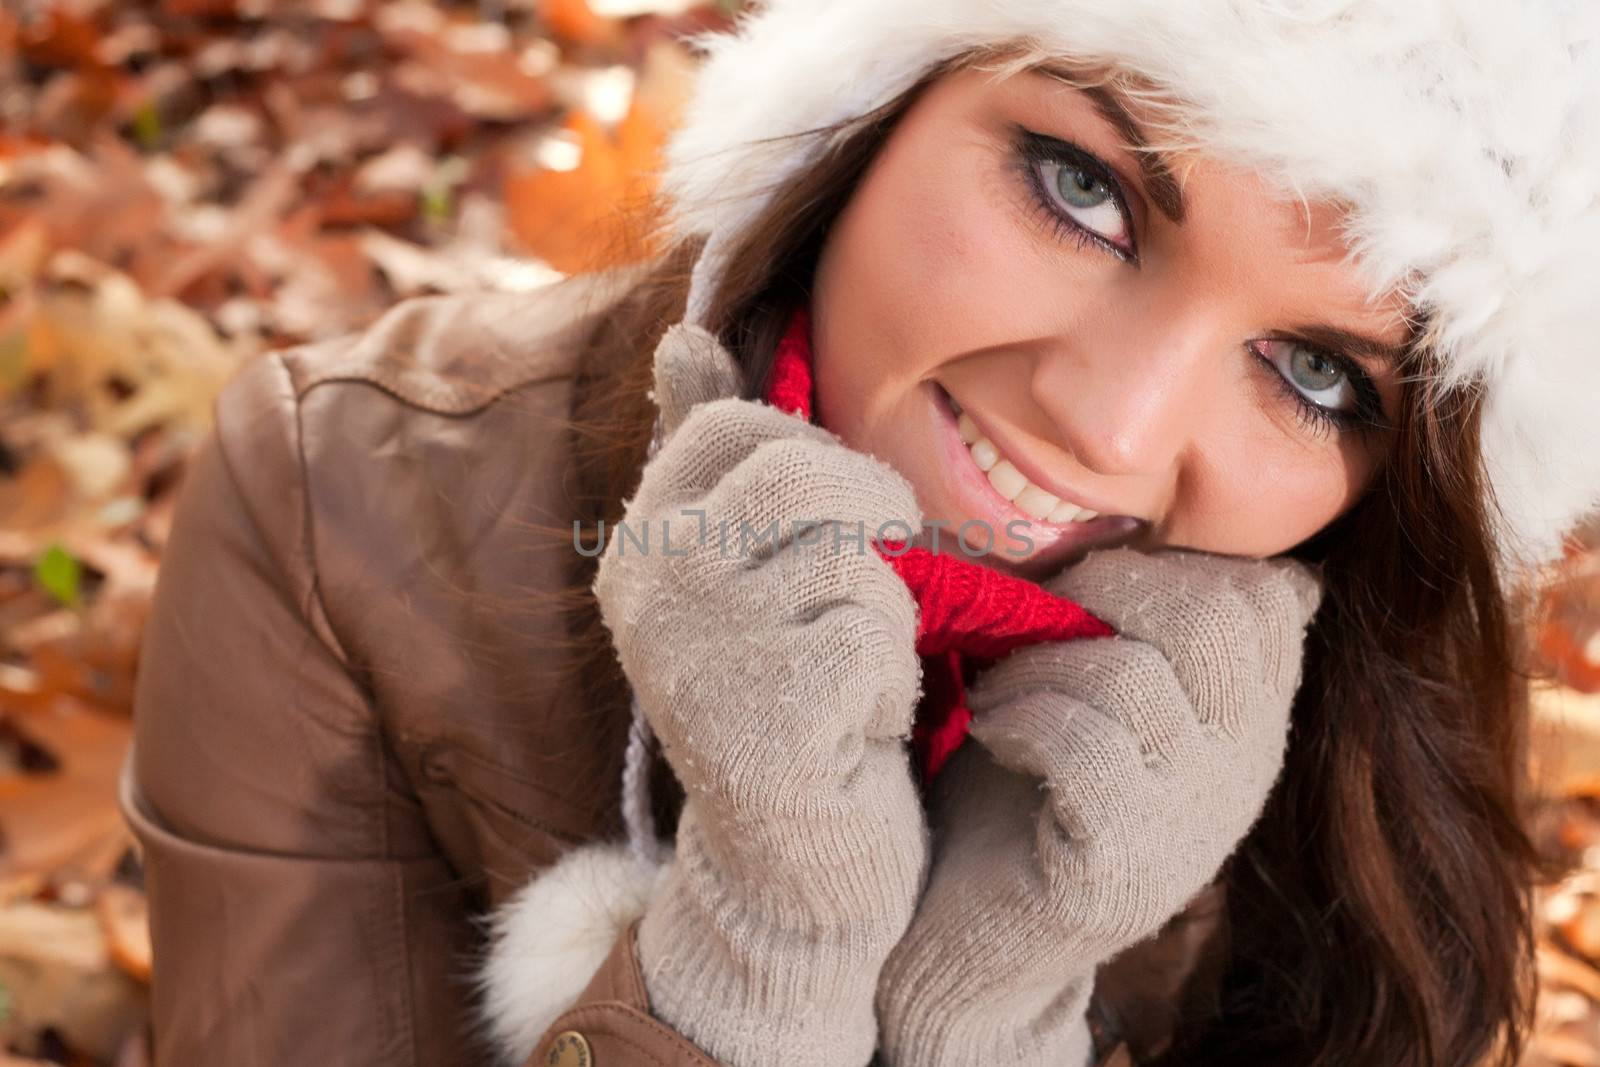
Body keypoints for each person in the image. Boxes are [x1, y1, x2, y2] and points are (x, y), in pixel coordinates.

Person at [122, 1, 1600, 1065]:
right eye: (1083, 189)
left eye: (1319, 372)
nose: (1115, 430)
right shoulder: (353, 498)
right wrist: (767, 946)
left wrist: (991, 1010)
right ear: (872, 112)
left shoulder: (1352, 692)